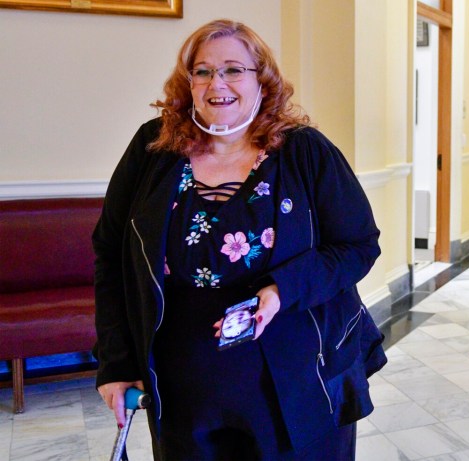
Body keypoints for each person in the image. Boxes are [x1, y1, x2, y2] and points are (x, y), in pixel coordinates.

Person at [93, 19, 387, 460]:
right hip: (183, 386)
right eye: (203, 71)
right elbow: (111, 254)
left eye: (234, 69)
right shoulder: (153, 149)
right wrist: (116, 363)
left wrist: (282, 289)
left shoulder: (304, 151)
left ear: (261, 80)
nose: (218, 83)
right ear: (188, 82)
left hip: (295, 376)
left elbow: (358, 245)